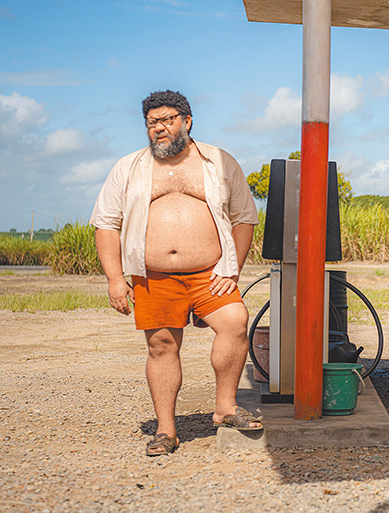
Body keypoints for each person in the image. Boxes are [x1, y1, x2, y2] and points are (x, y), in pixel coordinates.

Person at [90, 90, 262, 457]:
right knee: (162, 346)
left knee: (235, 322)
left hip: (210, 273)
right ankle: (166, 430)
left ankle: (225, 407)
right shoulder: (128, 167)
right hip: (152, 275)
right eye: (152, 122)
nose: (159, 128)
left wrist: (232, 269)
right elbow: (106, 224)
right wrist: (115, 279)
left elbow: (244, 217)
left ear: (187, 121)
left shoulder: (218, 162)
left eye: (167, 120)